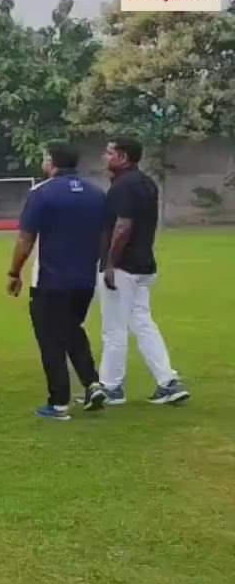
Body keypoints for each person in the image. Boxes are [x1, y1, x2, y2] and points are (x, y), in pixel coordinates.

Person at [5, 146, 106, 421]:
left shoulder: (42, 193)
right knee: (72, 329)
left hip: (51, 280)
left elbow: (26, 238)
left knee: (50, 339)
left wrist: (14, 272)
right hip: (85, 279)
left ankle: (58, 403)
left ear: (51, 162)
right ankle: (92, 383)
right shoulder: (97, 193)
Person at [95, 137, 190, 405]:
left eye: (109, 152)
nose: (105, 157)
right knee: (143, 323)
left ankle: (112, 387)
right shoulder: (146, 183)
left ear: (123, 158)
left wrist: (111, 263)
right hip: (144, 264)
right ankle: (168, 381)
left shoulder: (123, 187)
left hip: (123, 267)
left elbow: (123, 226)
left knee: (114, 327)